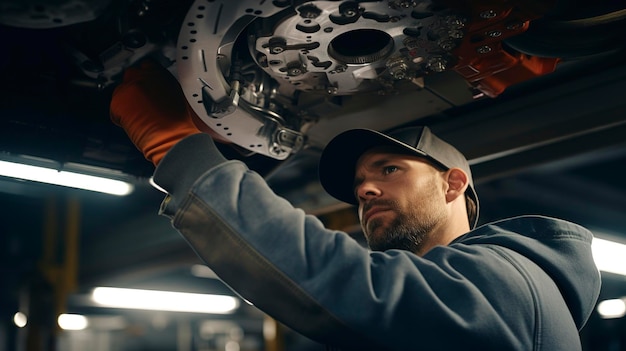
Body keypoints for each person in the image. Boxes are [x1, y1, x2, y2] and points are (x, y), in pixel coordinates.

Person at [110, 60, 601, 350]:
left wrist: (177, 148)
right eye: (360, 181)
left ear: (453, 185)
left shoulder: (511, 278)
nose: (363, 191)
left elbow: (339, 280)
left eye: (389, 169)